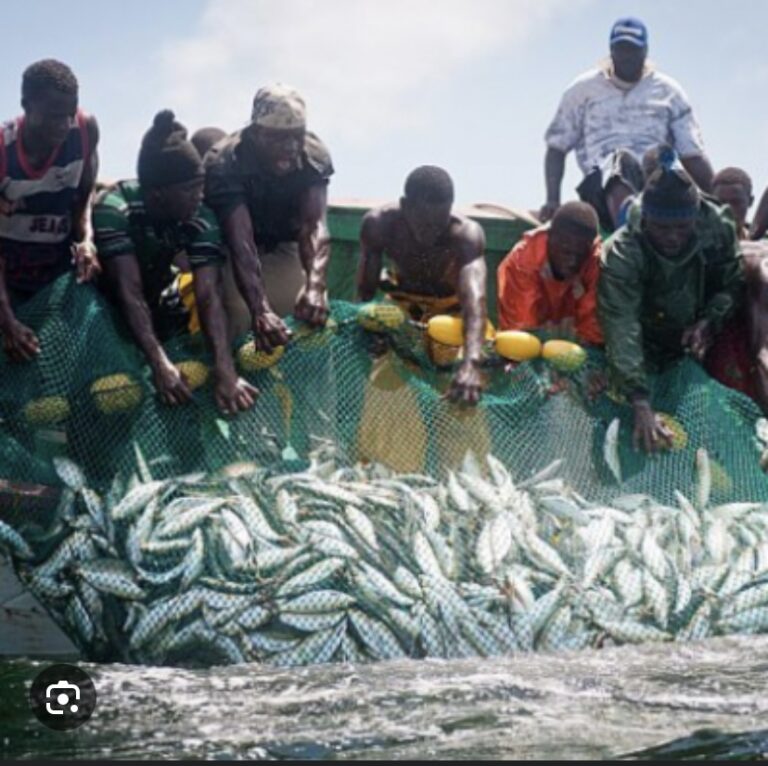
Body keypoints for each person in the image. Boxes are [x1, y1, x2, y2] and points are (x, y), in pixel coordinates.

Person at [93, 110, 257, 415]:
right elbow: (129, 293)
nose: (200, 196)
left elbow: (208, 295)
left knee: (184, 382)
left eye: (201, 186)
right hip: (104, 309)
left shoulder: (200, 216)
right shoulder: (115, 208)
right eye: (190, 189)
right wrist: (159, 362)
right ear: (158, 194)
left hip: (158, 301)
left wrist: (225, 369)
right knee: (107, 399)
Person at [598, 154, 744, 452]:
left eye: (682, 227)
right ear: (647, 217)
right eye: (663, 228)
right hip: (638, 343)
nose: (673, 237)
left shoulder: (717, 227)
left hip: (688, 347)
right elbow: (621, 323)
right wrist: (639, 401)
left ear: (695, 218)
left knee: (690, 445)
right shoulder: (624, 251)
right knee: (624, 441)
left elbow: (732, 285)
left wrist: (708, 322)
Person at [541, 17, 713, 223]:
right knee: (620, 162)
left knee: (668, 169)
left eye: (633, 49)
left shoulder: (669, 91)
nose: (627, 56)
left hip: (658, 183)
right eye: (621, 49)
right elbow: (556, 149)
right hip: (600, 188)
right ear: (611, 50)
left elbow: (692, 155)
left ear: (645, 51)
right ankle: (629, 229)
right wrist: (552, 200)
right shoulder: (582, 90)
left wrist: (719, 201)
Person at [204, 84, 333, 350]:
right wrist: (260, 310)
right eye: (277, 138)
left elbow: (314, 225)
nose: (290, 147)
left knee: (314, 318)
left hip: (286, 245)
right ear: (255, 132)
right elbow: (242, 242)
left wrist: (315, 286)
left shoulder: (313, 154)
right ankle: (233, 383)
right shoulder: (226, 161)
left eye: (297, 136)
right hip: (231, 249)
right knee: (242, 314)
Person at [357, 166, 488, 405]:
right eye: (425, 224)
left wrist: (471, 364)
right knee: (385, 387)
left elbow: (475, 304)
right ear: (405, 206)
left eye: (440, 224)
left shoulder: (466, 235)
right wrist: (370, 333)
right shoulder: (379, 224)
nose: (433, 234)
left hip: (453, 316)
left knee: (463, 394)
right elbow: (365, 294)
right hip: (403, 312)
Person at [0, 59, 100, 362]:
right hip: (9, 281)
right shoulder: (3, 152)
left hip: (56, 275)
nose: (62, 126)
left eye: (68, 115)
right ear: (26, 106)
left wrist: (87, 241)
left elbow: (84, 200)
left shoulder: (84, 130)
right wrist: (7, 322)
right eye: (53, 117)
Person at [497, 201, 602, 345]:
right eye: (566, 252)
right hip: (531, 332)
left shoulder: (596, 262)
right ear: (550, 238)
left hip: (571, 344)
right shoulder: (523, 261)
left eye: (579, 255)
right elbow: (521, 330)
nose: (572, 262)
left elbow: (593, 330)